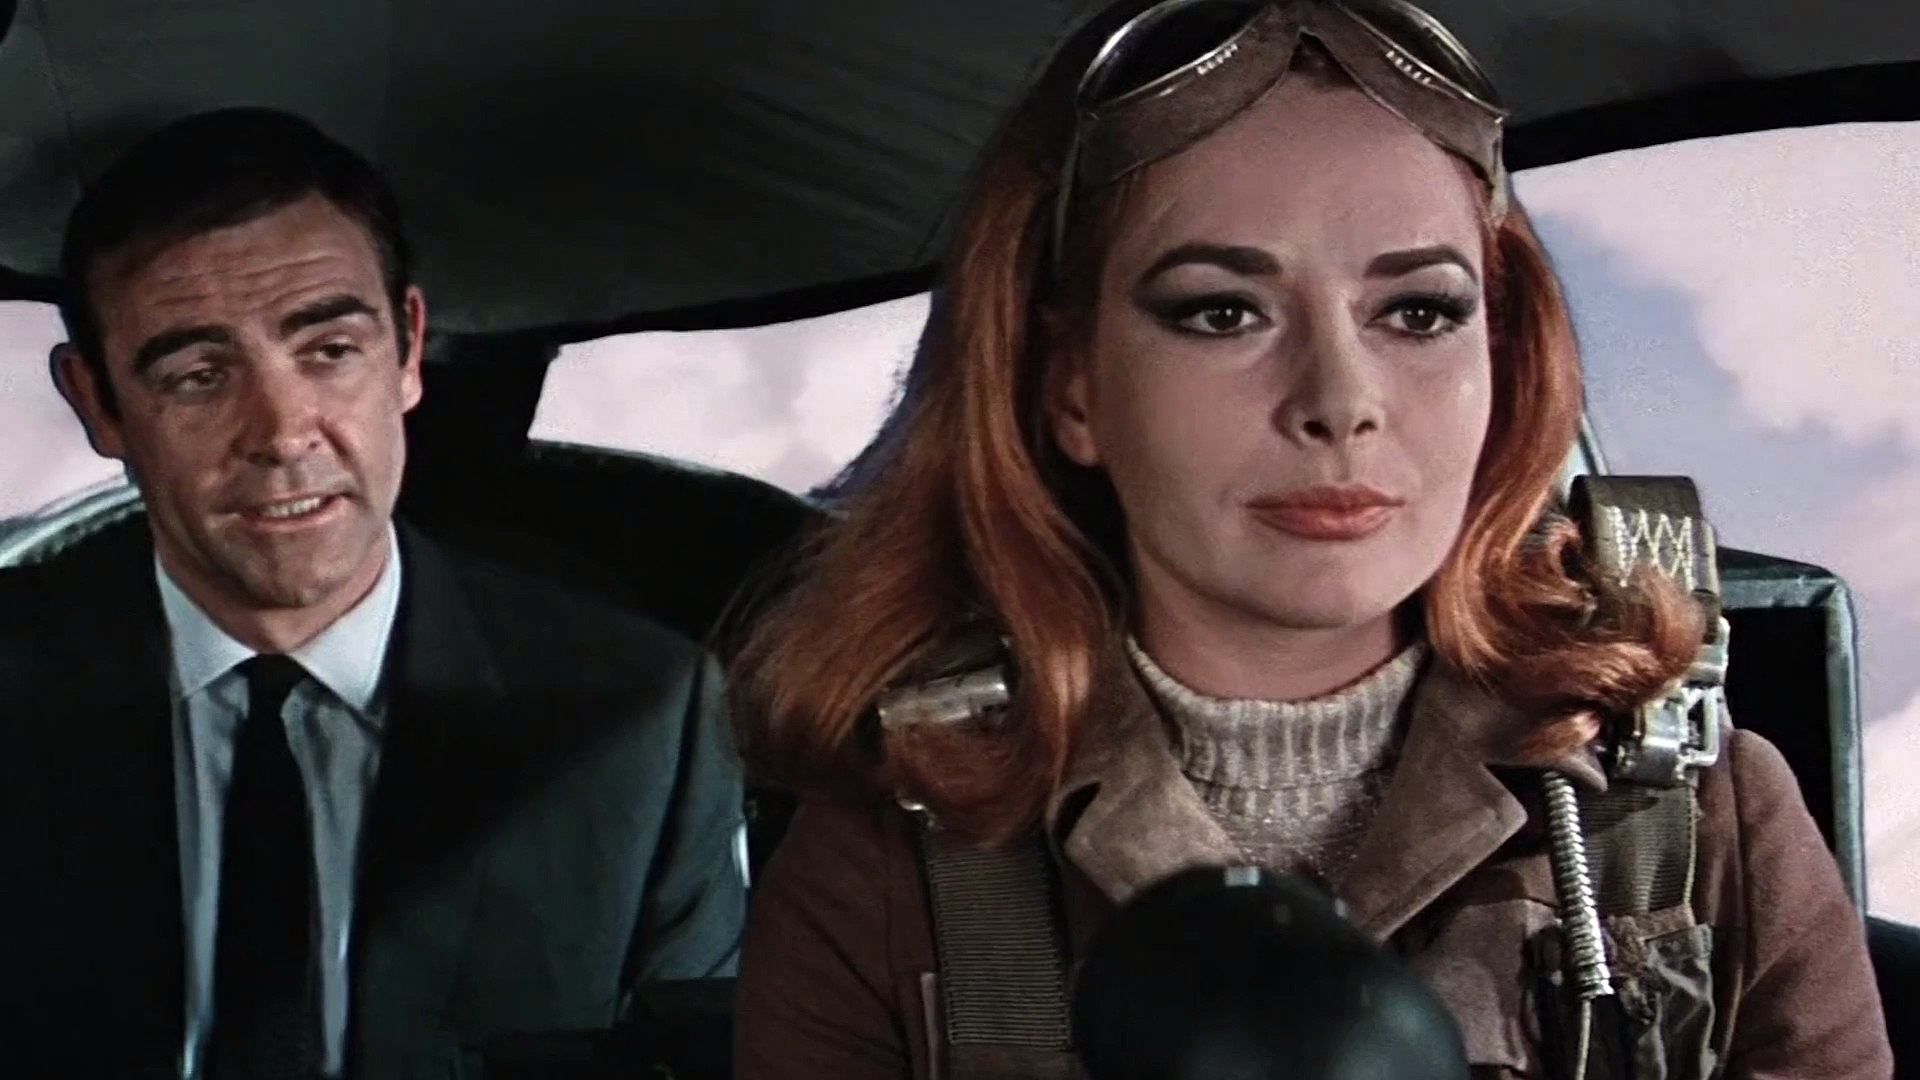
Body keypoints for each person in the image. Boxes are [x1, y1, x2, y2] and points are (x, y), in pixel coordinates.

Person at [727, 1, 1892, 1078]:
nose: (1340, 400)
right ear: (1071, 385)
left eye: (1417, 312)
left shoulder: (1690, 819)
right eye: (1222, 311)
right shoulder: (894, 867)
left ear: (1501, 359)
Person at [0, 107, 745, 1078]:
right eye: (198, 375)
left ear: (407, 348)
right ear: (97, 403)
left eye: (330, 351)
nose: (282, 432)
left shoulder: (639, 725)